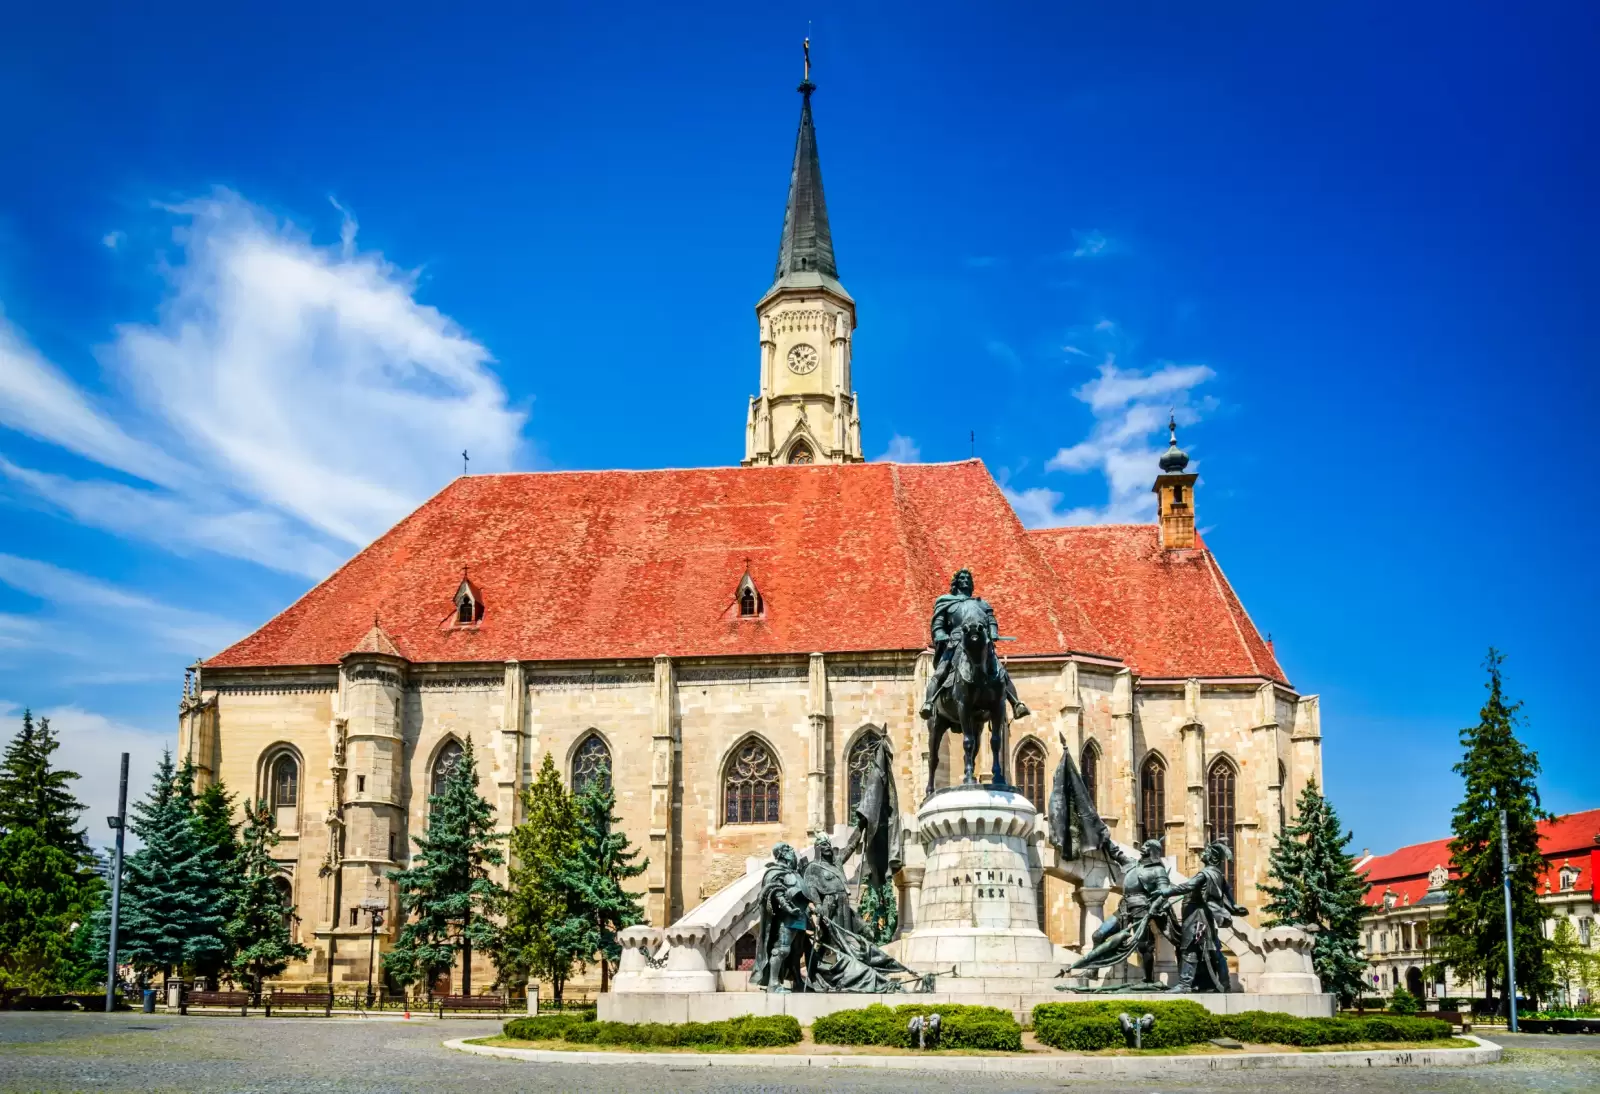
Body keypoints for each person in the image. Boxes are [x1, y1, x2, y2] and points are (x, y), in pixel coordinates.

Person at [919, 569, 1030, 721]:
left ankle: (1016, 703)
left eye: (968, 578)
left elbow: (991, 621)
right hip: (955, 642)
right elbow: (938, 625)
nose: (965, 580)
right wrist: (941, 635)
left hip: (980, 640)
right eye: (962, 578)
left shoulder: (981, 603)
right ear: (956, 582)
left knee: (1000, 671)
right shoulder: (945, 601)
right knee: (941, 672)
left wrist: (993, 632)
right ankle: (929, 703)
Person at [1067, 838, 1175, 983]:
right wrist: (1105, 839)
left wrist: (1156, 903)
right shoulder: (1132, 864)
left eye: (1147, 845)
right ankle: (1093, 971)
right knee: (1098, 935)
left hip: (1142, 909)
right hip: (1124, 908)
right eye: (1144, 844)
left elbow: (1164, 891)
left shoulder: (1158, 870)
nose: (1143, 846)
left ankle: (1148, 980)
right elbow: (1116, 853)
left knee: (1143, 946)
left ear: (1152, 851)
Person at [1152, 840, 1248, 993]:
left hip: (1196, 916)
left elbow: (1188, 886)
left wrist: (1166, 891)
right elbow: (1227, 891)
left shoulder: (1205, 874)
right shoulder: (1217, 874)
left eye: (1207, 852)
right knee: (1212, 949)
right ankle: (1222, 983)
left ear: (1212, 858)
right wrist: (1234, 905)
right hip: (1204, 915)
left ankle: (1185, 984)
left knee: (1190, 948)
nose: (1203, 853)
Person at [750, 843, 812, 992]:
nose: (793, 853)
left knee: (797, 951)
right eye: (790, 850)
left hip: (800, 918)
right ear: (783, 853)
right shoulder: (776, 872)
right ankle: (773, 984)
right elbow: (777, 893)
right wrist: (790, 909)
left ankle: (797, 981)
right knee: (782, 950)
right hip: (787, 918)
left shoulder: (795, 873)